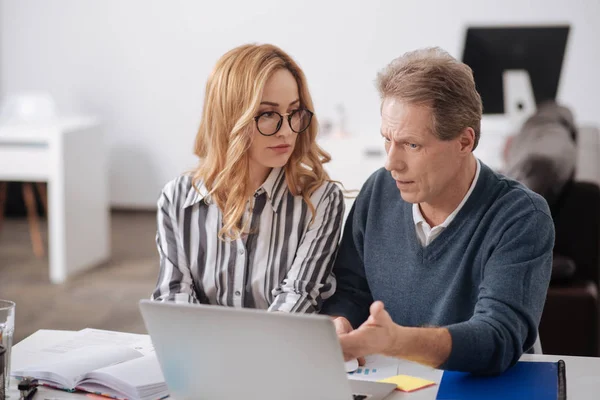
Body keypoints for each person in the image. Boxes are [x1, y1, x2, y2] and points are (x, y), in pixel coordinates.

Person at [321, 48, 554, 375]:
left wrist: (397, 341)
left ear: (464, 142)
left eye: (411, 145)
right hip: (395, 385)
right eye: (387, 139)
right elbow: (350, 291)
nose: (391, 162)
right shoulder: (378, 191)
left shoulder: (521, 216)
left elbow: (497, 337)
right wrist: (340, 324)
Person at [152, 44, 344, 313]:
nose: (287, 131)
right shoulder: (177, 198)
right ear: (230, 117)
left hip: (280, 350)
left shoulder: (319, 199)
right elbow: (174, 296)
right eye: (267, 114)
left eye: (294, 112)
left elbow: (297, 298)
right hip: (204, 352)